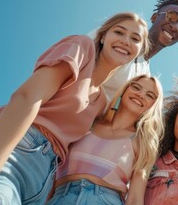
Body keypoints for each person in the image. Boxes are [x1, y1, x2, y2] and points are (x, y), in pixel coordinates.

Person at [0, 12, 149, 204]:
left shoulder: (101, 103)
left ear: (139, 51)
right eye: (119, 32)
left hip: (46, 177)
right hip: (18, 147)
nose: (125, 41)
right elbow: (26, 98)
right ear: (103, 36)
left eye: (135, 39)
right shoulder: (82, 47)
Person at [47, 75, 164, 205]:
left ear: (153, 106)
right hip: (60, 198)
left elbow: (135, 199)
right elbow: (52, 172)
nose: (141, 94)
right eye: (136, 87)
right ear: (124, 90)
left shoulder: (141, 143)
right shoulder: (89, 123)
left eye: (150, 95)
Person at [102, 0, 178, 101]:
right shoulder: (116, 39)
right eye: (171, 17)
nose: (175, 27)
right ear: (154, 17)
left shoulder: (145, 75)